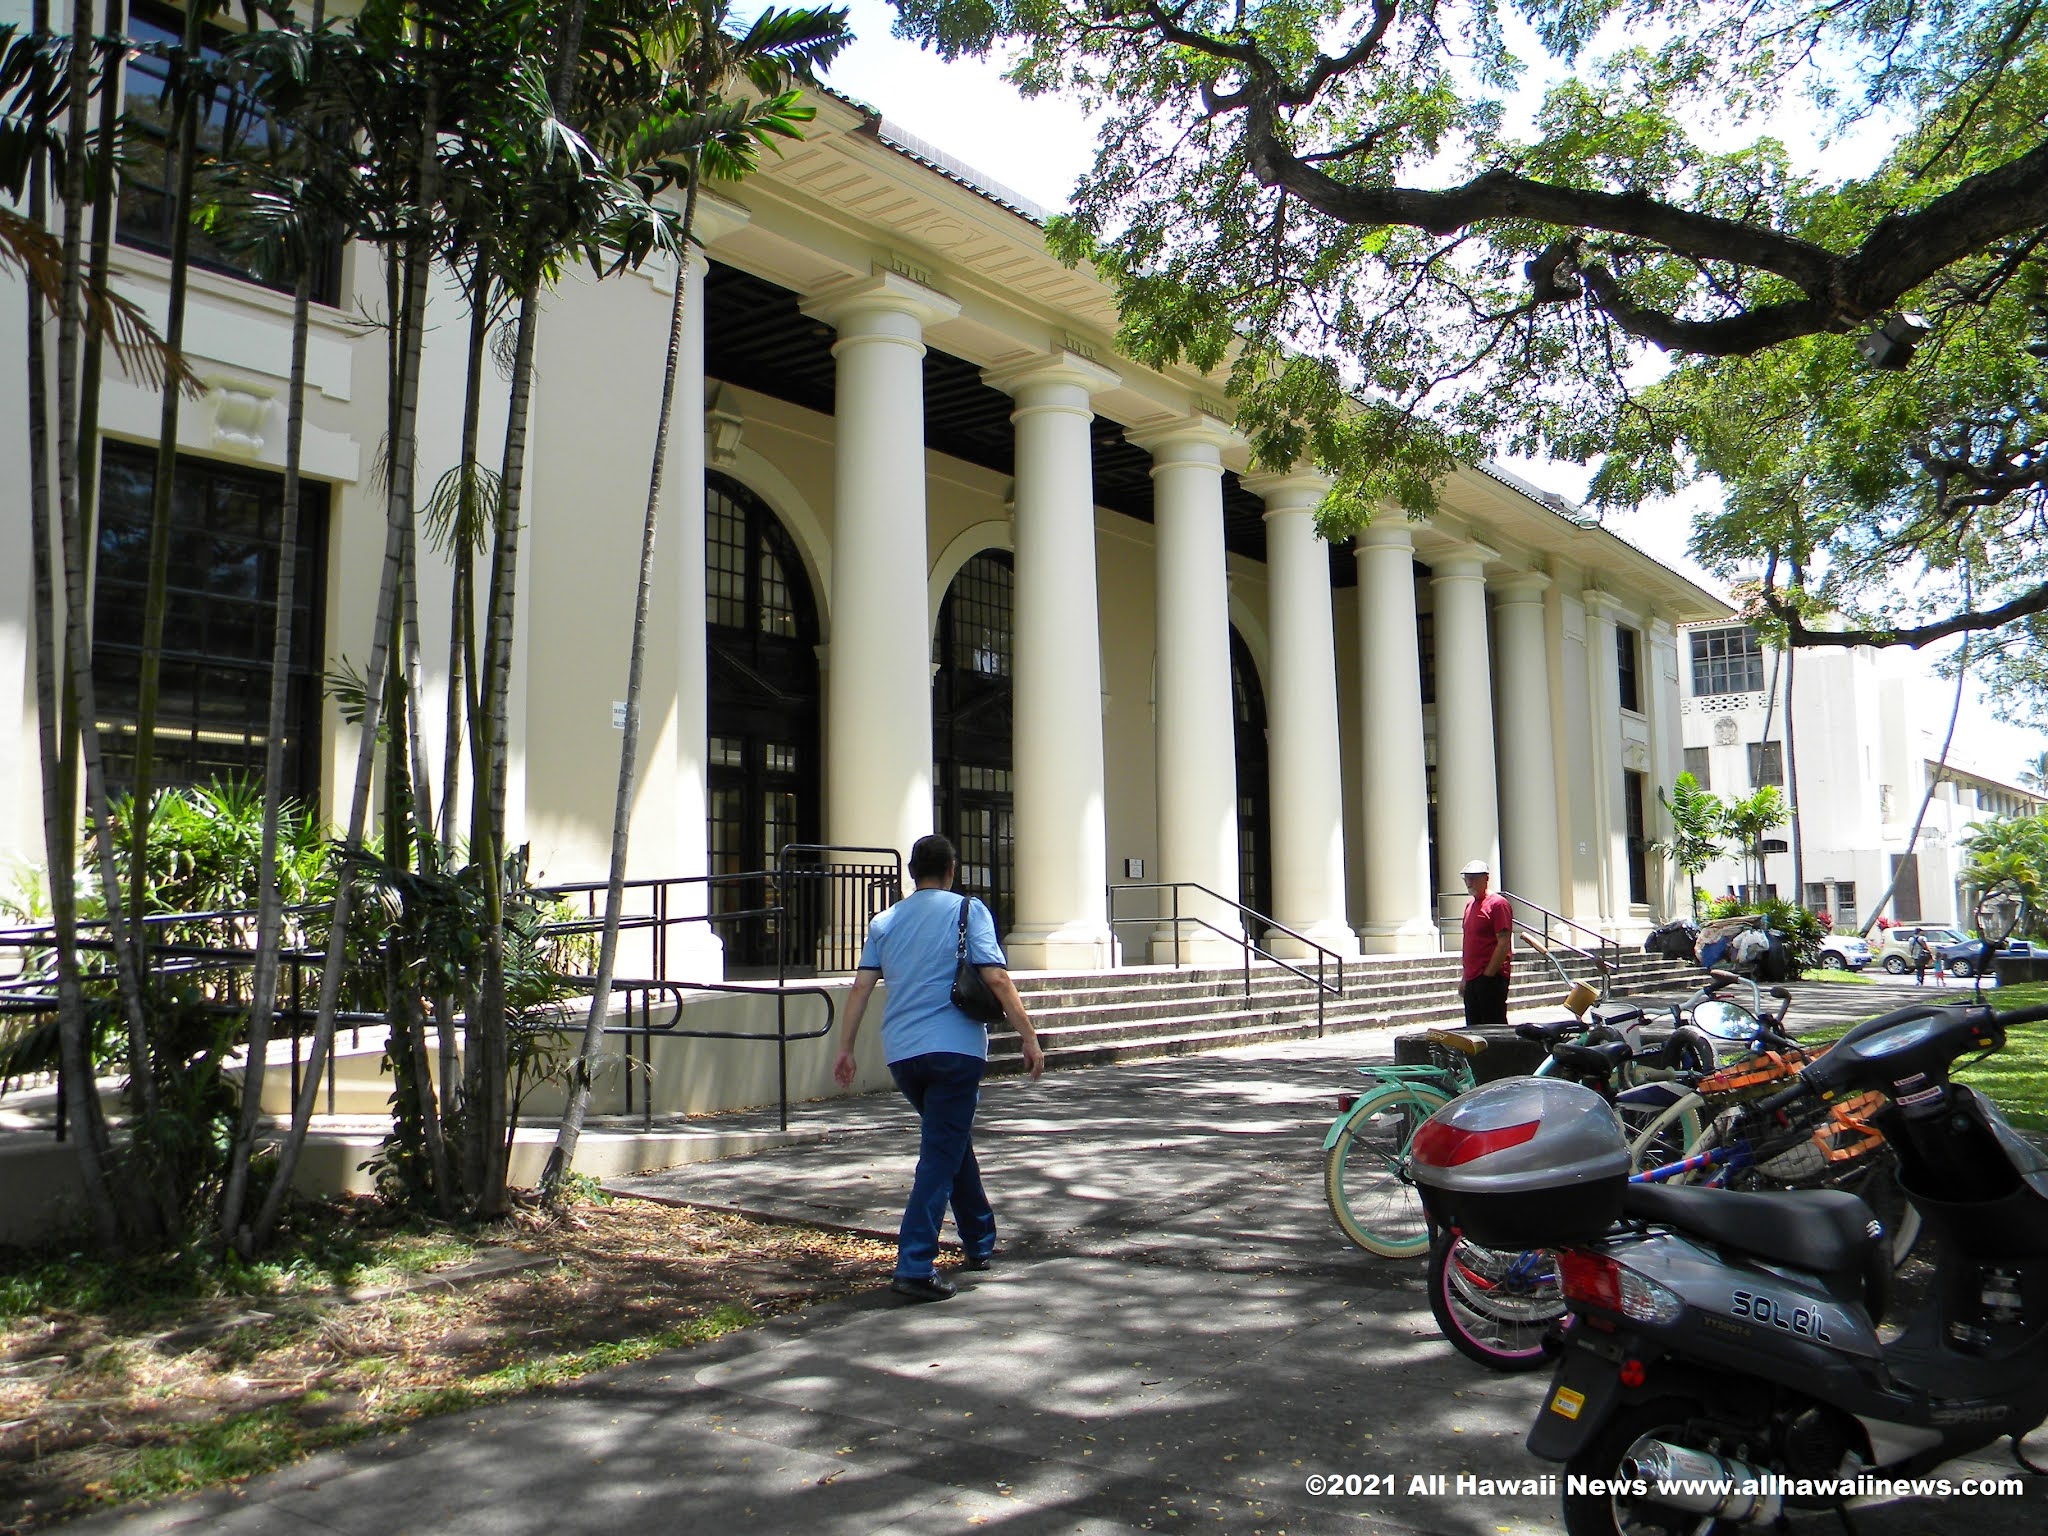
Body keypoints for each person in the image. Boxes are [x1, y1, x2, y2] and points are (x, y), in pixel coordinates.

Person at [831, 834, 1044, 1303]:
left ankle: (979, 1240)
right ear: (952, 869)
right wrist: (1028, 1035)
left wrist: (845, 1048)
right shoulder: (968, 910)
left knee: (949, 1144)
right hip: (956, 1050)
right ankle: (913, 1264)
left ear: (912, 871)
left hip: (903, 1054)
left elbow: (860, 989)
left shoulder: (884, 921)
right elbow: (996, 977)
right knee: (940, 1153)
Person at [1458, 858, 1513, 1027]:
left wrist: (1488, 974)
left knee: (1493, 1024)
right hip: (1472, 976)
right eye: (1466, 878)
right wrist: (1465, 978)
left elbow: (1503, 942)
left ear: (1486, 878)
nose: (1469, 882)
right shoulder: (1470, 905)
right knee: (1473, 1025)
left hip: (1491, 976)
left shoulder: (1498, 904)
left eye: (1473, 877)